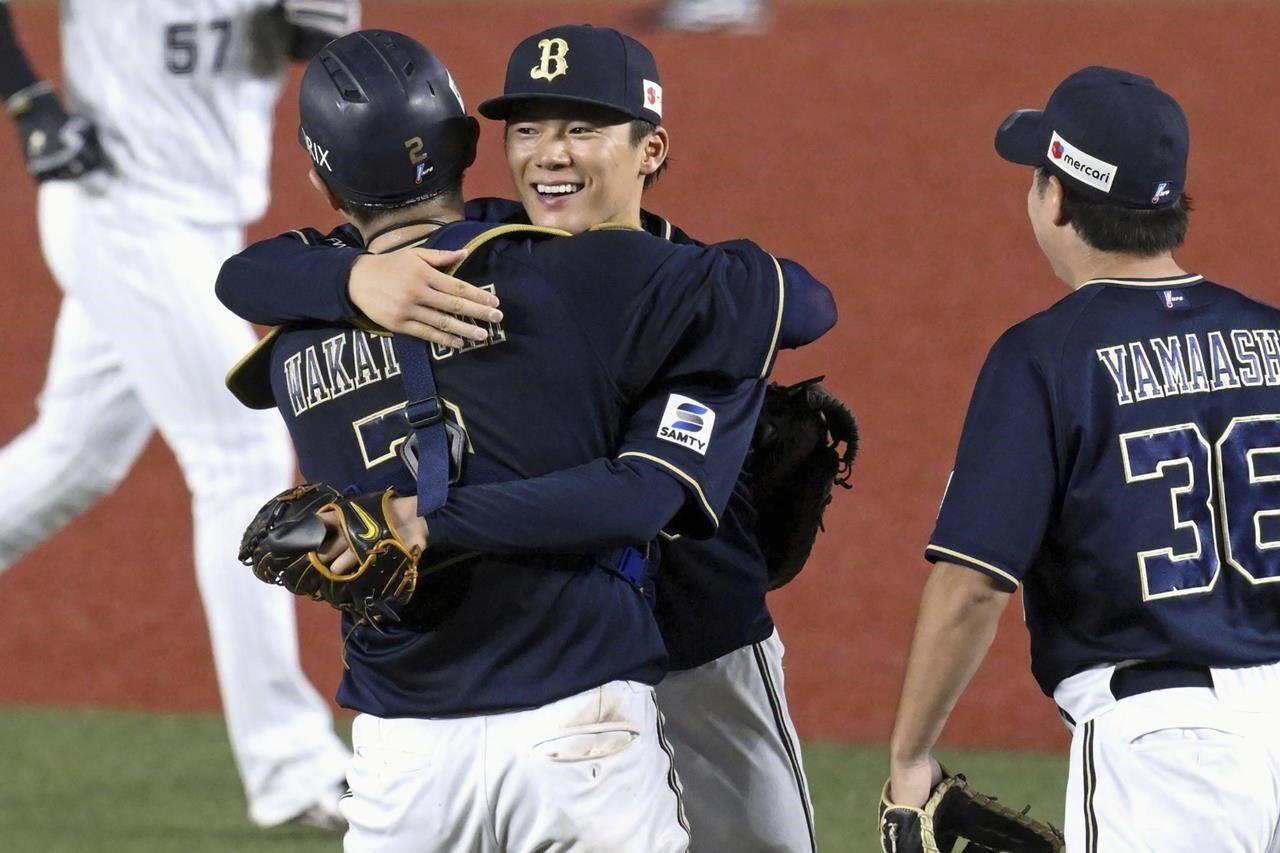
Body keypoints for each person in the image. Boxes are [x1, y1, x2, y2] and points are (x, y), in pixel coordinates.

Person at [218, 24, 830, 851]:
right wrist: (355, 277)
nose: (552, 154)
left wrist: (350, 280)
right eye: (530, 130)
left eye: (583, 129)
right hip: (577, 685)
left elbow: (807, 302)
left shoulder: (670, 273)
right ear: (478, 142)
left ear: (651, 148)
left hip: (697, 632)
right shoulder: (518, 253)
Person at [884, 66, 1280, 852]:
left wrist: (907, 757)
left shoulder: (1046, 357)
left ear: (1058, 199)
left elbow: (973, 585)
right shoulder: (1272, 335)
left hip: (1168, 754)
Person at [0, 0, 358, 830]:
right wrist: (29, 102)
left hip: (198, 221)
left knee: (71, 456)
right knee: (240, 450)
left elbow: (317, 47)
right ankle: (290, 766)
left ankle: (289, 761)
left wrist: (318, 23)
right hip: (120, 210)